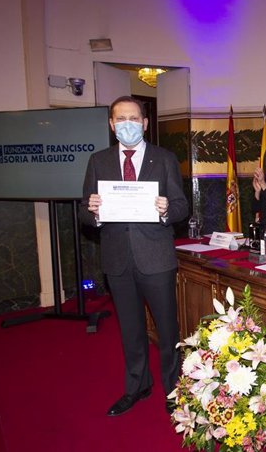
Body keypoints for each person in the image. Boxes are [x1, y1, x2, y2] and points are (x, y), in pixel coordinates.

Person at [79, 96, 188, 416]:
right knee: (130, 329)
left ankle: (173, 388)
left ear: (144, 123)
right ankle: (137, 385)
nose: (127, 124)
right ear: (112, 125)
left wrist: (168, 209)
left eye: (133, 118)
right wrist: (94, 212)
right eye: (120, 119)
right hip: (117, 259)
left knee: (168, 330)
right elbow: (85, 213)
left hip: (155, 257)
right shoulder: (98, 161)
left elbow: (182, 206)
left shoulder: (164, 158)